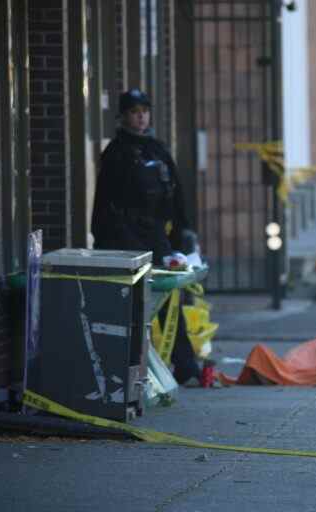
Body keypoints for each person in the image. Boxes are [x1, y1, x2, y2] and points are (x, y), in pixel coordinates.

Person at [91, 88, 202, 386]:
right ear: (123, 116)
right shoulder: (115, 154)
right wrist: (106, 241)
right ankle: (135, 371)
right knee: (135, 307)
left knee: (168, 299)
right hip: (126, 237)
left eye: (144, 111)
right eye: (134, 112)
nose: (140, 117)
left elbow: (176, 193)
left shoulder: (156, 149)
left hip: (156, 236)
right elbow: (104, 203)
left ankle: (185, 364)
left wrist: (182, 233)